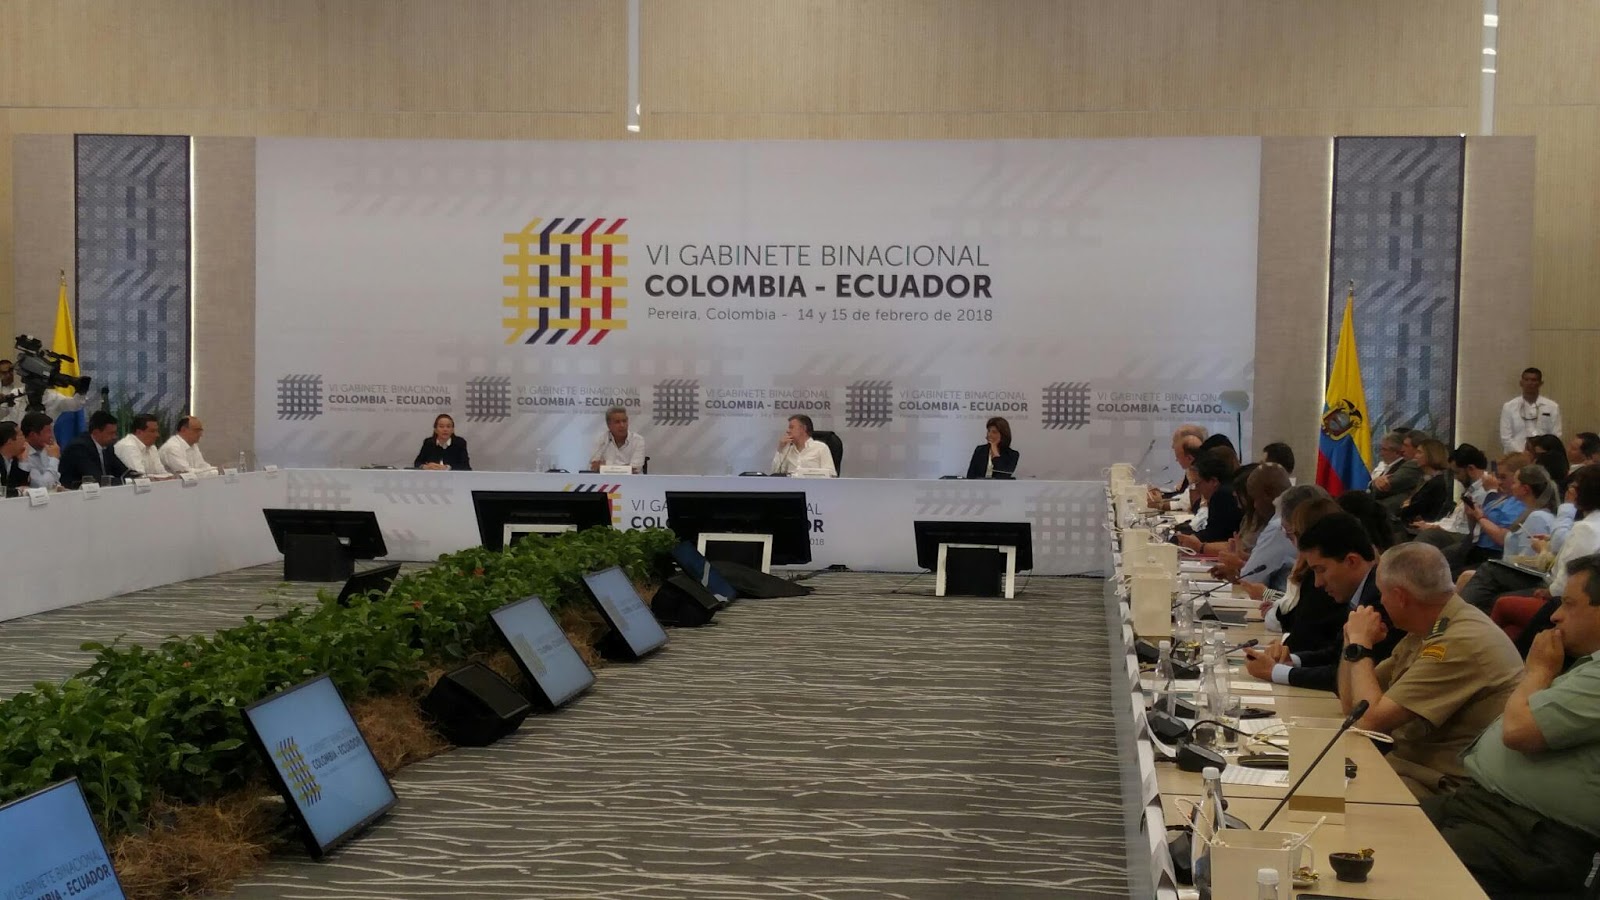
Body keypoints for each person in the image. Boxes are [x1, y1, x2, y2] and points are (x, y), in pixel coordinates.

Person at [1424, 553, 1600, 896]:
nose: (1556, 615)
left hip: (1526, 835)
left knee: (1399, 870)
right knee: (1372, 833)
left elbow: (1519, 731)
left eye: (1568, 603)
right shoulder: (1585, 664)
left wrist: (1538, 672)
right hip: (1483, 809)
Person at [1338, 542, 1524, 798]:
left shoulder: (1461, 640)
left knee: (1325, 797)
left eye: (1382, 593)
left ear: (1400, 597)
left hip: (1442, 786)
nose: (1380, 602)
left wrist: (1361, 644)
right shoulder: (1430, 627)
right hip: (1407, 768)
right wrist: (1351, 642)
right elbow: (1352, 707)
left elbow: (1369, 720)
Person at [1243, 512, 1404, 692]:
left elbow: (1354, 676)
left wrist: (1275, 672)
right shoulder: (1363, 590)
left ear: (1351, 561)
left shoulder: (1381, 600)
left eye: (1321, 570)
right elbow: (1336, 654)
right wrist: (1292, 660)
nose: (1317, 583)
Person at [1459, 464, 1600, 615]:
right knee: (1476, 574)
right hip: (1550, 578)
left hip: (1551, 584)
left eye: (1514, 482)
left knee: (1489, 572)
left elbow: (1566, 564)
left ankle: (1460, 618)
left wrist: (1567, 508)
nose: (1570, 490)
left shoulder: (1582, 527)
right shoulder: (1587, 524)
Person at [1413, 444, 1490, 552]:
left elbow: (1465, 527)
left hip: (1466, 535)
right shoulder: (1472, 489)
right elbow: (1456, 521)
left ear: (1471, 469)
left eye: (1457, 472)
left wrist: (1436, 527)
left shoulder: (1484, 491)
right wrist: (1432, 525)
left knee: (1429, 536)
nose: (1456, 478)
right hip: (1457, 531)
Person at [1174, 451, 1241, 553]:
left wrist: (1189, 538)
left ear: (1213, 481)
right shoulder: (1227, 489)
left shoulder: (1221, 495)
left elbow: (1213, 535)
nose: (1197, 488)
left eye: (1197, 483)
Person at [59, 410, 130, 489]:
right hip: (75, 493)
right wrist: (128, 481)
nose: (114, 437)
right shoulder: (79, 448)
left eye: (115, 433)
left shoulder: (108, 447)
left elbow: (123, 471)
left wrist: (137, 477)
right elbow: (96, 479)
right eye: (111, 433)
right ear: (96, 432)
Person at [1500, 366, 1562, 454]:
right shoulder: (1509, 407)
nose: (1530, 383)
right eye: (1526, 380)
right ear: (1521, 383)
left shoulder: (1552, 407)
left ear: (1540, 383)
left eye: (1534, 380)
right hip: (1516, 455)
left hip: (1544, 455)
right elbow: (1506, 438)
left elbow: (1556, 435)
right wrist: (1522, 454)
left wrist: (1541, 452)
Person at [1397, 438, 1454, 525]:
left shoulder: (1436, 484)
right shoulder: (1427, 479)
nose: (1415, 456)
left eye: (1419, 452)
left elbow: (1415, 510)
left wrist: (1406, 507)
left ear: (1431, 455)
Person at [1370, 430, 1424, 517]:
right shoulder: (1402, 465)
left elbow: (1386, 485)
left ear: (1417, 449)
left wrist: (1374, 484)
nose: (1402, 450)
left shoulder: (1412, 465)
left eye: (1406, 446)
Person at [771, 414, 836, 477]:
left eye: (791, 427)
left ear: (803, 428)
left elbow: (831, 474)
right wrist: (780, 449)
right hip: (791, 484)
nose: (788, 431)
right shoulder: (787, 449)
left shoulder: (820, 448)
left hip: (813, 483)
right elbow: (775, 473)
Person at [589, 407, 644, 473]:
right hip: (605, 479)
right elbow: (594, 466)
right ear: (609, 425)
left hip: (631, 479)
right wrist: (626, 467)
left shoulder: (638, 440)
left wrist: (604, 466)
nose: (622, 425)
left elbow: (635, 469)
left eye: (624, 421)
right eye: (617, 422)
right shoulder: (601, 440)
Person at [113, 413, 169, 478]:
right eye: (153, 431)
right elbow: (139, 477)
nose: (157, 435)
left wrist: (170, 477)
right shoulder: (128, 446)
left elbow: (161, 472)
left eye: (157, 431)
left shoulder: (152, 447)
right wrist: (164, 478)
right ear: (139, 432)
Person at [16, 411, 59, 489]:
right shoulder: (23, 454)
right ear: (33, 434)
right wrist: (54, 459)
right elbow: (42, 486)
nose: (51, 436)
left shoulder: (46, 450)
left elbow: (55, 480)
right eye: (48, 431)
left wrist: (58, 486)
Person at [0, 421, 29, 495]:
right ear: (9, 441)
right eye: (21, 435)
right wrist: (18, 491)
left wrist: (23, 462)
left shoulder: (15, 460)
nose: (25, 439)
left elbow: (23, 485)